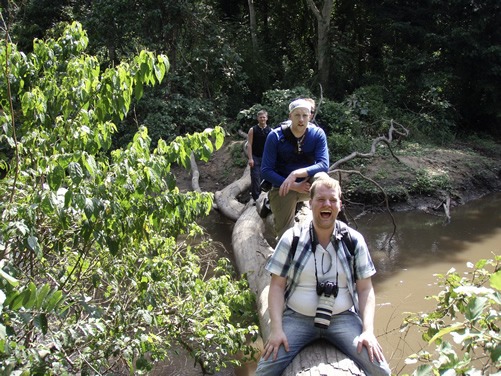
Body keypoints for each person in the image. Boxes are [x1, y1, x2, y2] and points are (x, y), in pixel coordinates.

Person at [255, 175, 391, 376]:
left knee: (381, 371)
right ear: (310, 204)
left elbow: (365, 288)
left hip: (343, 318)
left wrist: (368, 331)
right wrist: (276, 329)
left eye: (332, 200)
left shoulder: (353, 241)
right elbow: (276, 286)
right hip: (297, 318)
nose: (326, 204)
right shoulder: (292, 238)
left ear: (339, 204)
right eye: (320, 199)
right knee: (264, 371)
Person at [260, 98, 329, 238]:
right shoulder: (275, 136)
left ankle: (326, 228)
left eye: (305, 115)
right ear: (290, 116)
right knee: (286, 234)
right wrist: (293, 185)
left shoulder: (317, 134)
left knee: (323, 179)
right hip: (283, 187)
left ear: (310, 116)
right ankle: (268, 203)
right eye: (297, 115)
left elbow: (324, 165)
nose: (301, 119)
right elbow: (266, 170)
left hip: (308, 185)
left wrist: (296, 174)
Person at [247, 110, 271, 203]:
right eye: (260, 117)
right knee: (255, 177)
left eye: (264, 117)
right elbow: (249, 144)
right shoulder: (253, 130)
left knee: (265, 178)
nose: (262, 119)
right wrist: (250, 158)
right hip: (255, 157)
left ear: (267, 118)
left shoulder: (270, 130)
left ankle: (264, 197)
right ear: (258, 118)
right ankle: (255, 198)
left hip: (266, 158)